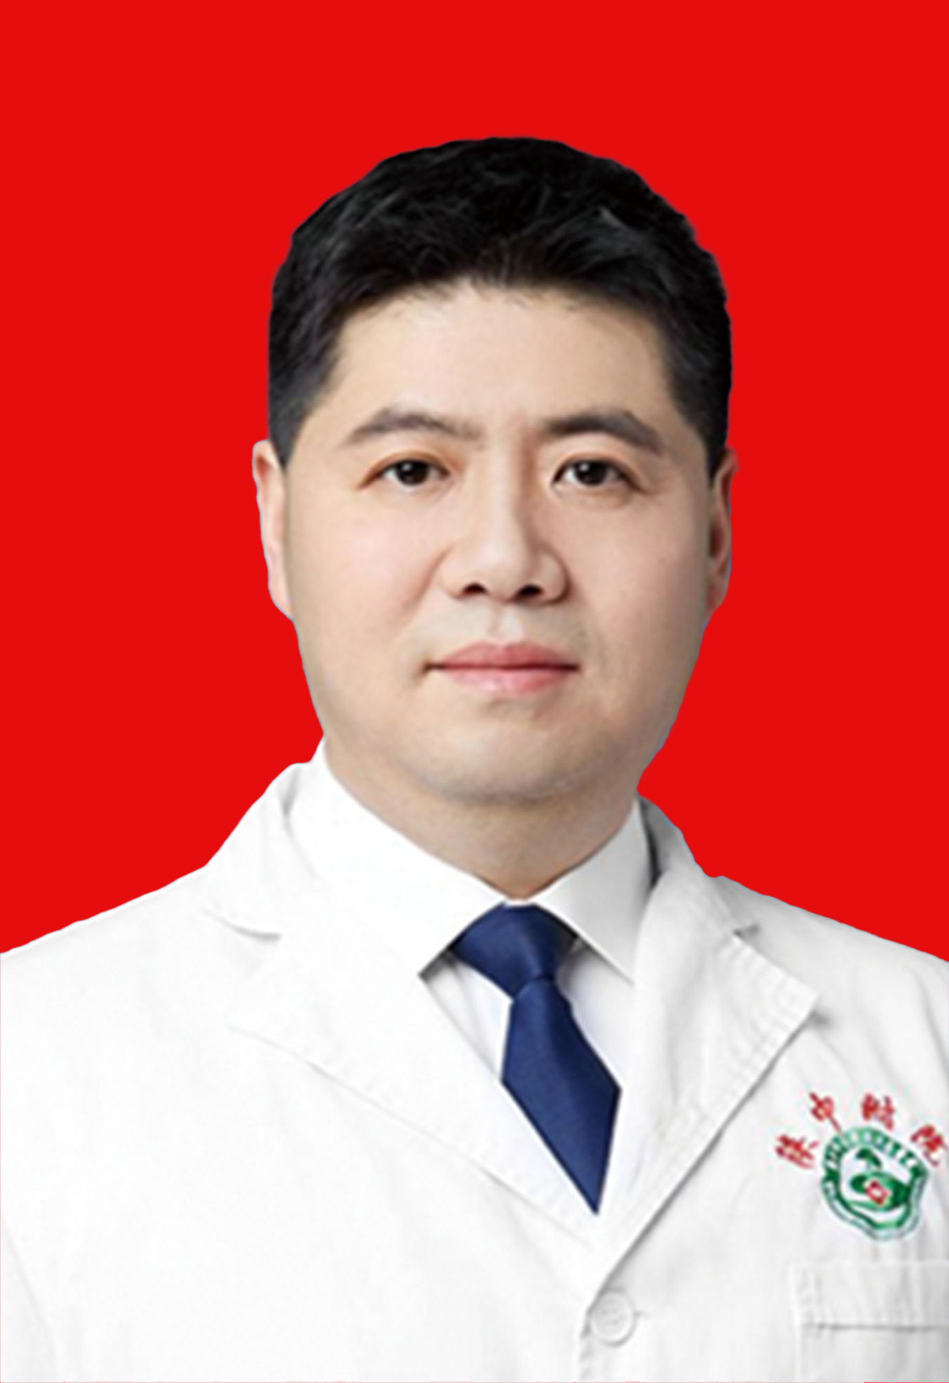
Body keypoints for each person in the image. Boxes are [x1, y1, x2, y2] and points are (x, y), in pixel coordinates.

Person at [1, 137, 946, 1383]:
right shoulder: (35, 1072)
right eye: (412, 471)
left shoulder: (921, 1043)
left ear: (715, 531)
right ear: (275, 522)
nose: (505, 559)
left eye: (591, 472)